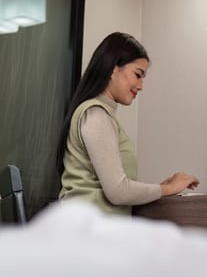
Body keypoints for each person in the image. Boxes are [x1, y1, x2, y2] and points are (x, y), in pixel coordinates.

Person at [57, 32, 199, 215]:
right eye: (137, 75)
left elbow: (116, 187)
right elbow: (117, 191)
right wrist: (168, 189)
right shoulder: (95, 114)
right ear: (113, 69)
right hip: (91, 234)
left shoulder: (98, 114)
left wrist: (158, 189)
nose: (141, 86)